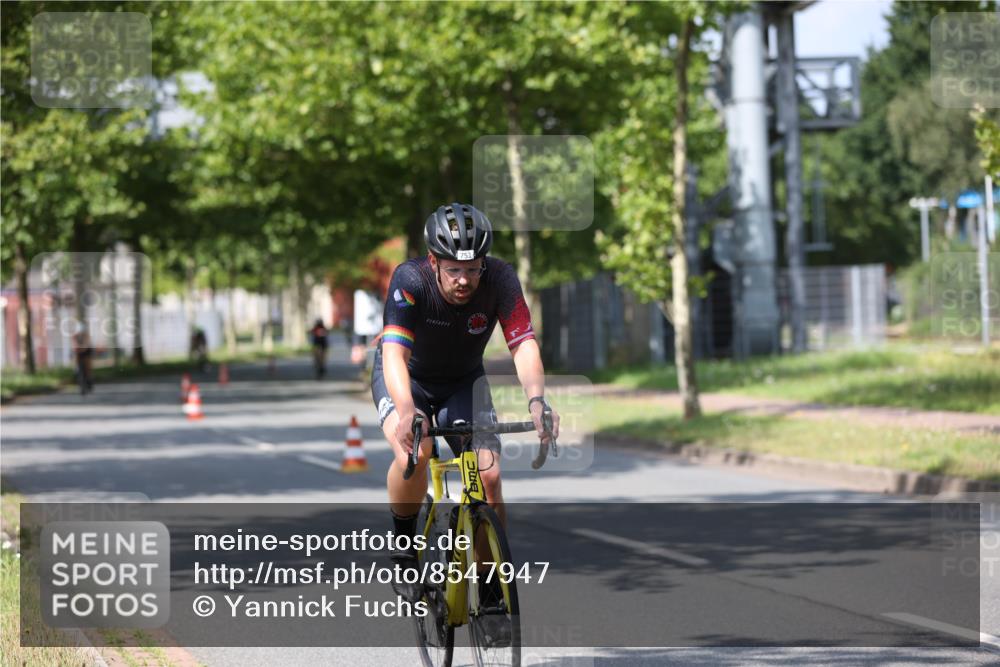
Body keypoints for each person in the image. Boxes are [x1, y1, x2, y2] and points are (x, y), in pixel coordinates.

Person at [371, 202, 560, 608]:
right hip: (408, 379)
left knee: (488, 477)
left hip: (462, 381)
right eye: (454, 270)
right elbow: (393, 356)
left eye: (473, 269)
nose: (464, 280)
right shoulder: (410, 279)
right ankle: (404, 546)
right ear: (434, 261)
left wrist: (536, 400)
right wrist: (407, 410)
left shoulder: (502, 280)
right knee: (416, 451)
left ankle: (492, 593)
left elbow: (523, 344)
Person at [73, 331, 94, 395]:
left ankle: (89, 380)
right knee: (79, 369)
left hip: (86, 352)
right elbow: (75, 345)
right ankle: (82, 386)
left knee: (87, 368)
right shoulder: (75, 336)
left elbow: (87, 344)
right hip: (79, 353)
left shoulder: (86, 336)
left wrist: (84, 348)